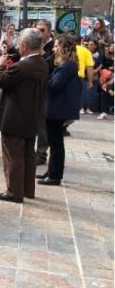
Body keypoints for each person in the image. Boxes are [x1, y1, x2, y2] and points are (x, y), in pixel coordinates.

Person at [0, 28, 48, 203]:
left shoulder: (22, 67)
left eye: (19, 44)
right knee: (28, 155)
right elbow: (21, 61)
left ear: (24, 45)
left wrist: (0, 65)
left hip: (15, 117)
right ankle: (27, 189)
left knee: (13, 156)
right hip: (31, 117)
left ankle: (14, 192)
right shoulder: (42, 63)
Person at [37, 35, 82, 186]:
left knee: (56, 144)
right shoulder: (66, 65)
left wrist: (44, 80)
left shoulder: (67, 66)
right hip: (56, 109)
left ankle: (55, 175)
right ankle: (51, 172)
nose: (54, 49)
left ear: (64, 48)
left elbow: (55, 85)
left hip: (57, 110)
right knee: (54, 142)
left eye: (57, 46)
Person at [34, 20, 55, 165]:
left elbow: (52, 68)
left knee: (43, 124)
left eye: (41, 30)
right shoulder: (33, 44)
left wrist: (41, 55)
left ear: (49, 32)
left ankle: (41, 154)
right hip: (32, 89)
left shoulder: (54, 47)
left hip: (47, 90)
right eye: (36, 30)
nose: (38, 33)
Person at [75, 38, 95, 114]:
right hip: (80, 76)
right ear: (80, 41)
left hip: (65, 74)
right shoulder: (86, 51)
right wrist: (90, 81)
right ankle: (81, 108)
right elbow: (90, 67)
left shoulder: (66, 48)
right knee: (82, 93)